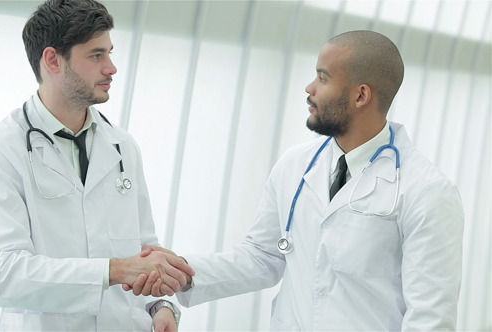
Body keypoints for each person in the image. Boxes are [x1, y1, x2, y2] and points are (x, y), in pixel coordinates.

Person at [129, 30, 464, 330]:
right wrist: (181, 273)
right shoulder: (296, 165)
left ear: (361, 96)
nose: (309, 88)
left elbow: (430, 318)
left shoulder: (427, 191)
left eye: (323, 77)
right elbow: (262, 256)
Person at [0, 0, 194, 331]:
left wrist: (160, 305)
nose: (112, 68)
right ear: (52, 60)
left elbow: (144, 249)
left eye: (110, 53)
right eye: (96, 55)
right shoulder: (1, 149)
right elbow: (6, 276)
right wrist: (114, 270)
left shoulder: (122, 146)